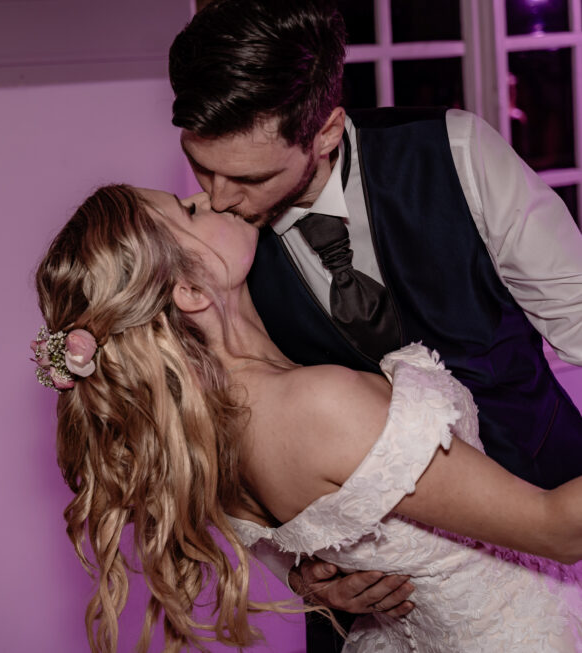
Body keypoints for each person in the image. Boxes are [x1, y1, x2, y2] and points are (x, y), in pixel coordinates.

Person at [167, 0, 582, 648]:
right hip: (385, 604)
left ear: (326, 131)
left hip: (550, 514)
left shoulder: (456, 152)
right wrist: (298, 570)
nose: (219, 198)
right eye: (200, 166)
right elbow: (215, 430)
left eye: (250, 177)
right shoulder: (214, 256)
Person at [32, 183, 582, 652]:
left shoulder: (206, 429)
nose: (209, 195)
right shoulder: (315, 406)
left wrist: (311, 581)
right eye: (189, 209)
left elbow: (312, 540)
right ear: (192, 291)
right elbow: (559, 531)